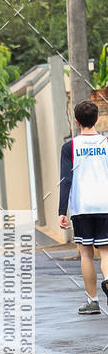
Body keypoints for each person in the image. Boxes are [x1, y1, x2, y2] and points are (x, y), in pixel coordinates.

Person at [59, 99, 108, 315]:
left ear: (77, 122)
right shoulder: (106, 143)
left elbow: (65, 180)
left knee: (86, 254)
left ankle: (92, 301)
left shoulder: (69, 147)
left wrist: (61, 211)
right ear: (96, 119)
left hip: (82, 207)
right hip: (105, 204)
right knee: (106, 252)